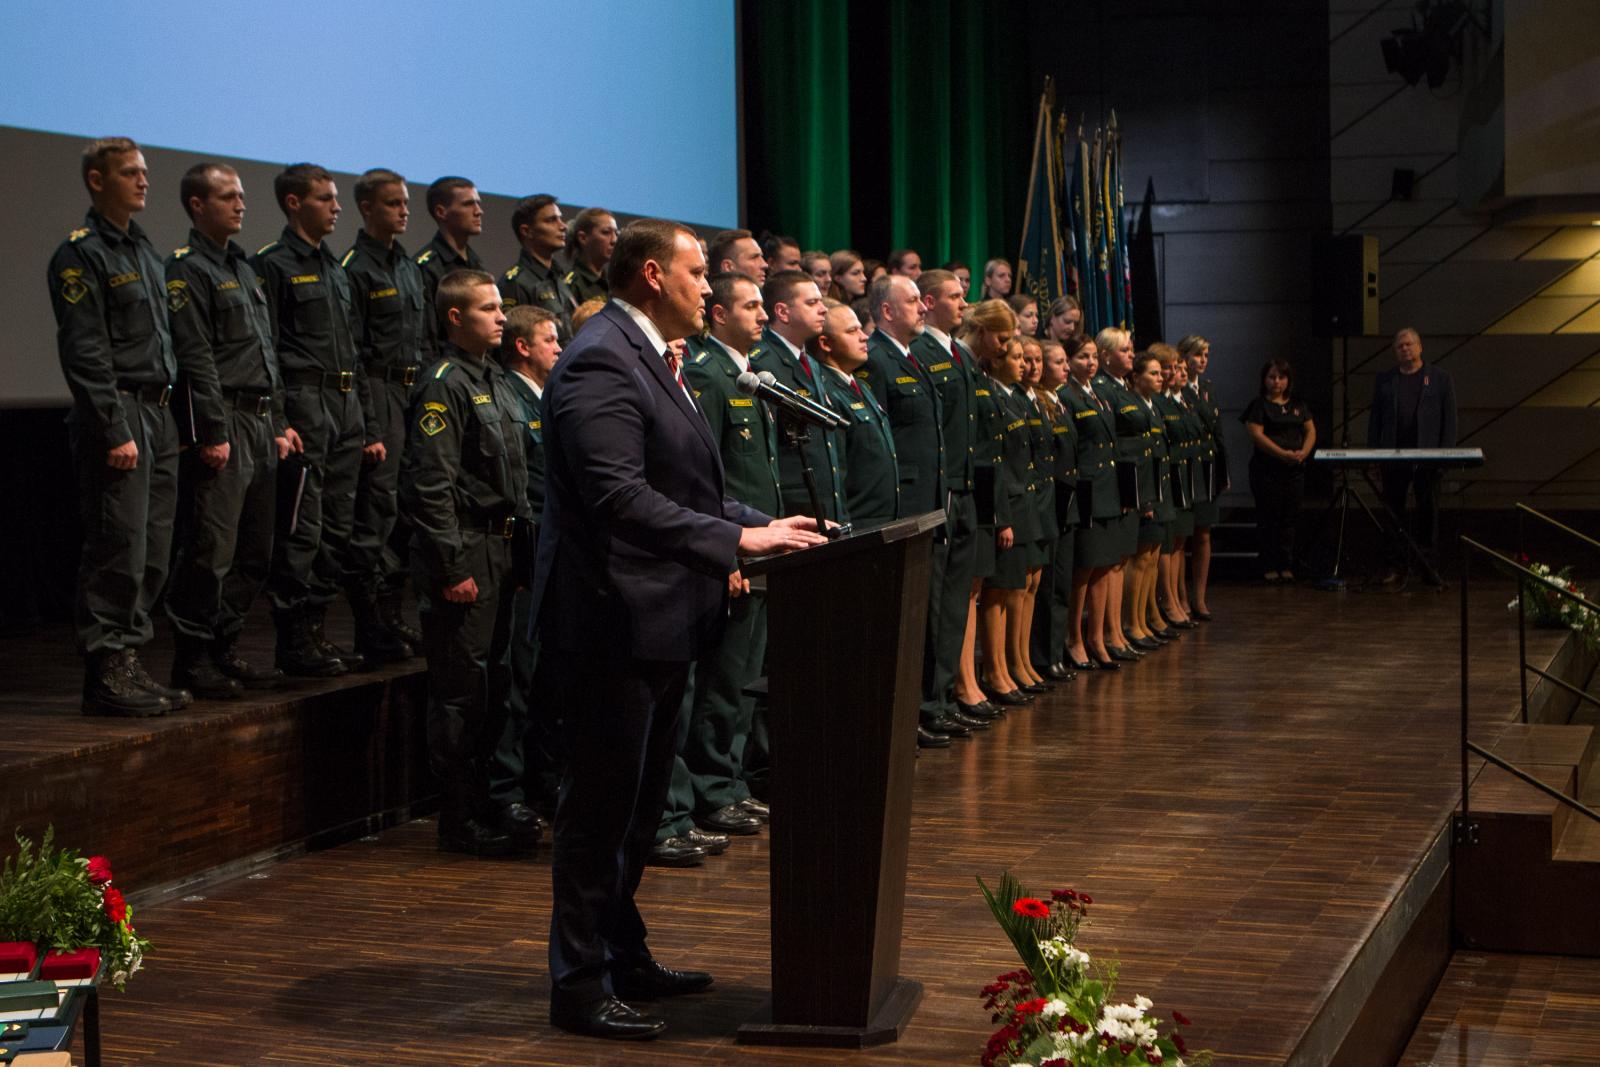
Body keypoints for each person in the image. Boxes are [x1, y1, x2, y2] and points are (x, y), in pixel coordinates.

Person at [533, 219, 825, 1041]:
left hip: (658, 616)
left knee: (635, 810)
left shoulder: (656, 358)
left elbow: (685, 486)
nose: (714, 286)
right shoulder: (599, 358)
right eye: (703, 273)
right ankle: (578, 983)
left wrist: (768, 521)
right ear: (655, 275)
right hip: (609, 621)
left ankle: (622, 954)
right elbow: (617, 496)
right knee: (599, 808)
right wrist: (735, 540)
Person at [652, 271, 784, 866]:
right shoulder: (704, 374)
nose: (762, 315)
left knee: (739, 681)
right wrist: (729, 549)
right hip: (709, 551)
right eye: (750, 304)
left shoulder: (748, 377)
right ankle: (697, 796)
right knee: (709, 688)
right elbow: (703, 479)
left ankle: (720, 786)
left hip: (742, 540)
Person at [399, 269, 531, 857]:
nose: (501, 317)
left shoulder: (496, 380)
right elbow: (431, 485)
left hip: (501, 549)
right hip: (466, 552)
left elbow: (516, 477)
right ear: (456, 317)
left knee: (496, 686)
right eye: (488, 309)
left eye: (501, 308)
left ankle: (486, 804)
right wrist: (451, 567)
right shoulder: (444, 383)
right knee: (460, 693)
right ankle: (456, 819)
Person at [50, 137, 184, 716]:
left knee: (153, 549)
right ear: (98, 181)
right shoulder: (81, 255)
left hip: (158, 412)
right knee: (118, 547)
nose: (144, 180)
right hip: (120, 412)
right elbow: (85, 351)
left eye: (145, 172)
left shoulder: (147, 254)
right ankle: (105, 670)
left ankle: (130, 660)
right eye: (130, 172)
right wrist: (112, 428)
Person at [162, 162, 290, 699]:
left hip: (261, 420)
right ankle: (192, 659)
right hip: (227, 420)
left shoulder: (243, 266)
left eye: (241, 196)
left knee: (256, 551)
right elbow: (197, 357)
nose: (241, 204)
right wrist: (213, 430)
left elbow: (265, 351)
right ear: (198, 205)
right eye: (228, 197)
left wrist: (281, 421)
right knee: (211, 548)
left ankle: (224, 644)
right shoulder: (186, 268)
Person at [253, 163, 366, 677]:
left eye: (336, 198)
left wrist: (363, 420)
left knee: (338, 526)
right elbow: (267, 349)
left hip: (343, 407)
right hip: (304, 405)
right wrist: (278, 418)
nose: (336, 206)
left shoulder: (337, 268)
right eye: (324, 198)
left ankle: (316, 630)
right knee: (304, 528)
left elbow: (354, 348)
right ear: (294, 203)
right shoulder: (273, 265)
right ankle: (293, 636)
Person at [861, 273, 969, 748]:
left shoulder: (912, 356)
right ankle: (916, 709)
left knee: (936, 606)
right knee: (912, 612)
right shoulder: (877, 360)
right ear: (887, 311)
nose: (922, 309)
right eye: (911, 302)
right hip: (904, 506)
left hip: (932, 500)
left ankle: (934, 702)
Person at [341, 167, 428, 663]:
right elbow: (352, 350)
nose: (403, 210)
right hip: (378, 391)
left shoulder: (408, 267)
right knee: (376, 512)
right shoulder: (356, 267)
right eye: (393, 203)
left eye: (405, 202)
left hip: (413, 393)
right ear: (368, 207)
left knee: (405, 513)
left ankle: (392, 617)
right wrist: (371, 425)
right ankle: (370, 625)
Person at [488, 304, 563, 850]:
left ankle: (543, 781)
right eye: (549, 340)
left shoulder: (543, 397)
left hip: (550, 552)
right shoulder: (510, 398)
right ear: (522, 348)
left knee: (544, 679)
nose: (559, 349)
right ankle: (507, 789)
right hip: (524, 552)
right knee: (517, 678)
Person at [914, 270, 997, 735]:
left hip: (965, 488)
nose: (963, 304)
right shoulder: (922, 353)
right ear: (928, 301)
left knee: (954, 603)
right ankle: (929, 701)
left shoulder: (956, 353)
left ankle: (944, 698)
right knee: (937, 601)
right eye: (954, 297)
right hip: (942, 489)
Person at [752, 270, 848, 522]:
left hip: (824, 500)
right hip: (793, 504)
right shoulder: (763, 363)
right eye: (811, 303)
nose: (823, 309)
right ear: (783, 312)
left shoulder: (811, 362)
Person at [1367, 327, 1457, 584]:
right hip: (1392, 459)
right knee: (1393, 512)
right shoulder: (1385, 380)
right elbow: (1375, 421)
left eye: (1409, 344)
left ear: (1420, 348)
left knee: (1427, 512)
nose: (1405, 349)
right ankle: (1394, 566)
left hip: (1428, 460)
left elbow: (1449, 422)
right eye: (1400, 346)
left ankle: (1427, 566)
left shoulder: (1440, 379)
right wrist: (1375, 456)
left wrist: (1445, 457)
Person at [975, 330, 1037, 706]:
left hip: (1019, 498)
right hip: (1003, 501)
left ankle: (1012, 664)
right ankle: (996, 670)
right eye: (1016, 357)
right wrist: (1002, 515)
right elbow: (994, 458)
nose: (1024, 365)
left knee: (1016, 586)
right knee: (997, 592)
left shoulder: (1010, 397)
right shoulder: (992, 394)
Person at [1060, 335, 1122, 669]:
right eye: (1083, 356)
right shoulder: (1066, 395)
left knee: (1104, 565)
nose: (1091, 363)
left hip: (1106, 487)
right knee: (1083, 568)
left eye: (1095, 357)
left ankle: (1097, 637)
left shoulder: (1098, 394)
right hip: (1085, 488)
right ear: (1069, 360)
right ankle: (1075, 636)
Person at [813, 300, 899, 524]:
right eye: (852, 331)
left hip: (882, 519)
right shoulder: (826, 391)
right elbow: (837, 471)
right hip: (858, 522)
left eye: (861, 328)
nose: (864, 337)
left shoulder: (857, 384)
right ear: (825, 343)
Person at [1091, 327, 1145, 663]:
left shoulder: (1121, 387)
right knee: (1110, 562)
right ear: (1106, 355)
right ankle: (1110, 632)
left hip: (1126, 480)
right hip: (1113, 480)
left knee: (1121, 559)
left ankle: (1117, 629)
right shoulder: (1102, 389)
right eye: (1123, 350)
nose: (1131, 355)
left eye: (1130, 349)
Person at [1030, 339, 1079, 681]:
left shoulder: (1060, 402)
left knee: (1061, 581)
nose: (1067, 368)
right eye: (1058, 362)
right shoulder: (1040, 403)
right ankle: (1044, 655)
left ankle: (1056, 649)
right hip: (1046, 500)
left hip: (1065, 499)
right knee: (1046, 585)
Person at [1243, 359, 1315, 582]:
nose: (1277, 382)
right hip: (1267, 470)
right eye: (1272, 377)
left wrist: (1303, 451)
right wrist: (1281, 453)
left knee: (1289, 518)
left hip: (1294, 470)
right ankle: (1268, 564)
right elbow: (1257, 434)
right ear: (1264, 380)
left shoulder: (1298, 404)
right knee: (1268, 518)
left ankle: (1286, 564)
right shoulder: (1259, 405)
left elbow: (1310, 430)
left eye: (1281, 377)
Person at [1178, 334, 1224, 620]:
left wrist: (1224, 469)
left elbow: (1218, 433)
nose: (1203, 360)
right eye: (1197, 355)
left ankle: (1200, 596)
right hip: (1187, 467)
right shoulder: (1179, 389)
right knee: (1183, 536)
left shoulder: (1207, 387)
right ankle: (1181, 597)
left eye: (1206, 355)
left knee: (1204, 533)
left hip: (1207, 465)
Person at [416, 176, 485, 358]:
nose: (479, 211)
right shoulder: (426, 267)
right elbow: (426, 336)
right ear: (441, 212)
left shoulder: (476, 263)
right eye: (468, 204)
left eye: (478, 203)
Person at [500, 194, 576, 343]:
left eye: (560, 218)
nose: (563, 226)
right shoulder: (516, 283)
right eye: (551, 220)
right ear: (526, 231)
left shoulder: (559, 278)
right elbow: (513, 342)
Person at [563, 206, 618, 306]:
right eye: (606, 232)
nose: (614, 240)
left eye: (616, 233)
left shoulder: (613, 284)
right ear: (583, 238)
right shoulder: (571, 286)